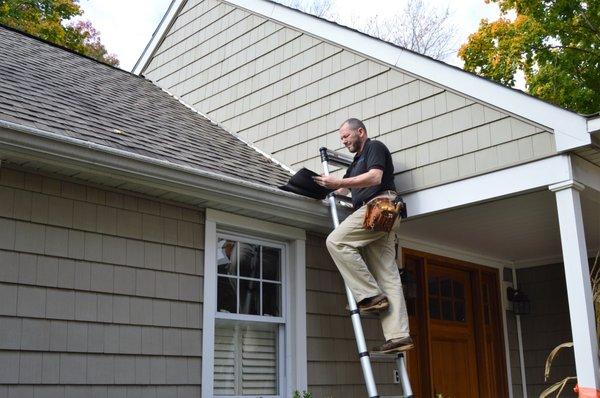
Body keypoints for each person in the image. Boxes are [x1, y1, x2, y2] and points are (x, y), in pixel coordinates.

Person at [313, 118, 413, 354]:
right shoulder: (356, 163)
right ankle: (399, 335)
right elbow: (343, 189)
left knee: (336, 241)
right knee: (387, 273)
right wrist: (317, 186)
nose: (344, 140)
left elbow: (375, 177)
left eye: (346, 136)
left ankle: (369, 296)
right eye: (341, 138)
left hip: (381, 206)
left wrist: (339, 180)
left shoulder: (374, 147)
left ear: (361, 131)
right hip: (379, 215)